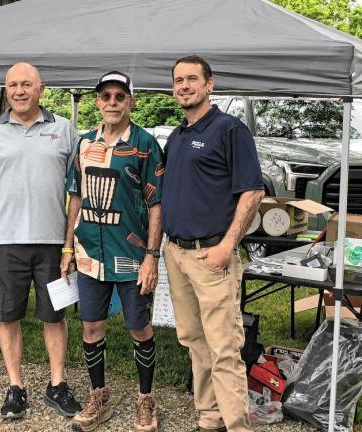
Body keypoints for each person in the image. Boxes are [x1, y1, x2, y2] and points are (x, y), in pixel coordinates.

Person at [0, 62, 81, 420]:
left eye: (27, 84)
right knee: (6, 316)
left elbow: (77, 192)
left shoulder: (64, 130)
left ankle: (57, 385)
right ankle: (16, 387)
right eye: (13, 84)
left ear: (41, 89)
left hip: (52, 243)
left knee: (54, 315)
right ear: (6, 90)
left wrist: (70, 243)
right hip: (4, 242)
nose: (19, 91)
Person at [161, 56, 264, 432]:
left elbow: (252, 192)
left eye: (191, 79)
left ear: (210, 84)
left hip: (212, 255)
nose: (184, 86)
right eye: (178, 81)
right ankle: (209, 418)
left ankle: (237, 424)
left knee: (224, 347)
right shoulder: (177, 135)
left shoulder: (229, 130)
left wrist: (226, 246)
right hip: (177, 253)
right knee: (193, 339)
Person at [63, 71, 164, 432]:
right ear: (97, 102)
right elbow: (74, 196)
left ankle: (145, 399)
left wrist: (152, 255)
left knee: (139, 327)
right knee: (91, 327)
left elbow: (157, 204)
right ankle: (98, 395)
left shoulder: (145, 144)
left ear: (130, 102)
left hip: (132, 255)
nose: (112, 103)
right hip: (90, 251)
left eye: (119, 96)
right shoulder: (84, 142)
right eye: (105, 96)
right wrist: (66, 247)